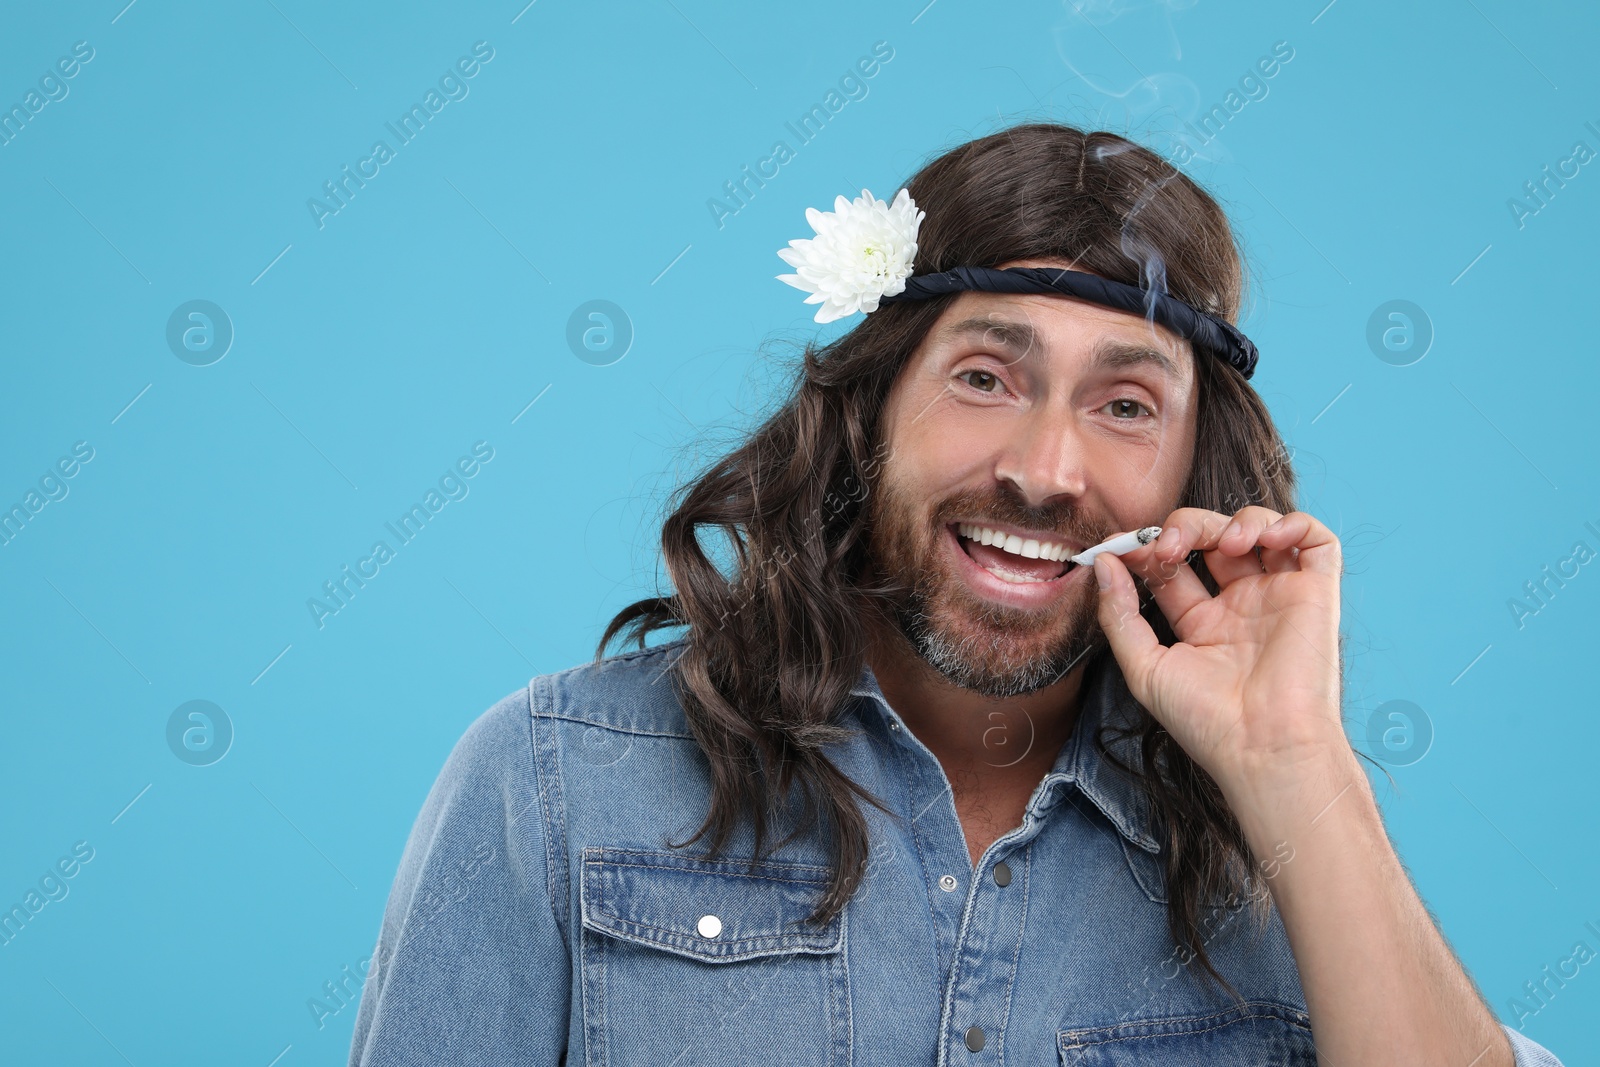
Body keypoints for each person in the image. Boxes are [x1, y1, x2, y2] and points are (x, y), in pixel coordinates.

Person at [348, 123, 1567, 1065]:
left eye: (1125, 403)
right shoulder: (550, 783)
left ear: (1197, 475)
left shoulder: (1284, 863)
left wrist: (1295, 760)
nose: (1043, 469)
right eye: (985, 375)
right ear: (872, 406)